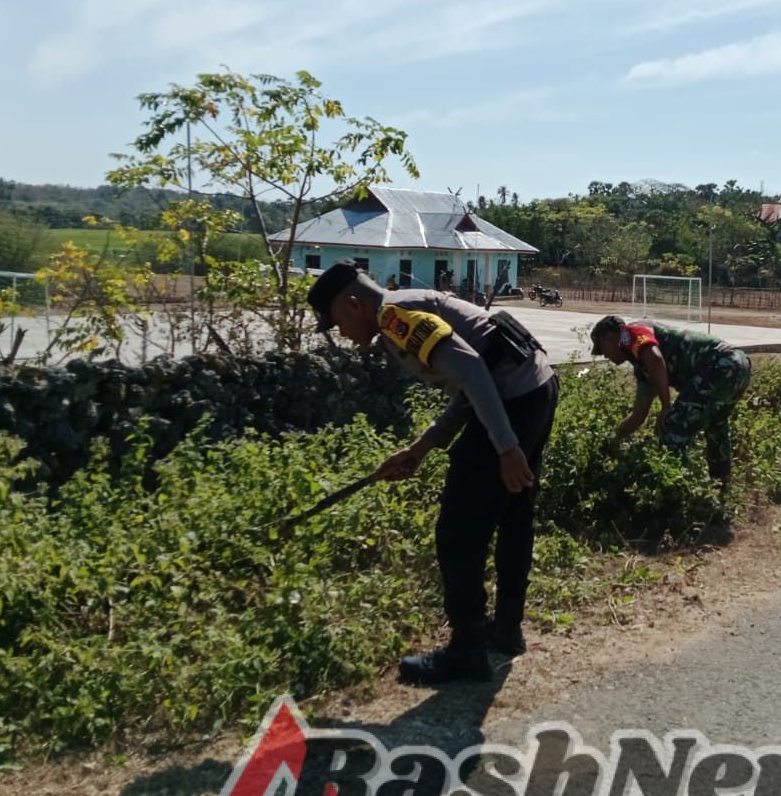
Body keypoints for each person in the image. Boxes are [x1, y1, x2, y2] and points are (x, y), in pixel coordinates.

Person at [306, 259, 560, 686]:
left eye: (337, 324)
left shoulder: (394, 318)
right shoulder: (404, 308)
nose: (344, 337)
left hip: (513, 399)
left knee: (458, 529)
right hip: (534, 388)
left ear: (353, 304)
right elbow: (471, 385)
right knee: (514, 512)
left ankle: (467, 651)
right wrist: (422, 448)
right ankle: (506, 629)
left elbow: (473, 372)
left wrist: (506, 446)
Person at [590, 314, 751, 491]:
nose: (604, 355)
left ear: (609, 337)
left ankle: (675, 495)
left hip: (720, 366)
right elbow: (638, 416)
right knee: (716, 426)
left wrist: (666, 407)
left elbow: (656, 359)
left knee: (672, 426)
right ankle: (722, 487)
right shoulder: (642, 366)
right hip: (738, 364)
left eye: (601, 348)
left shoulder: (629, 334)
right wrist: (610, 440)